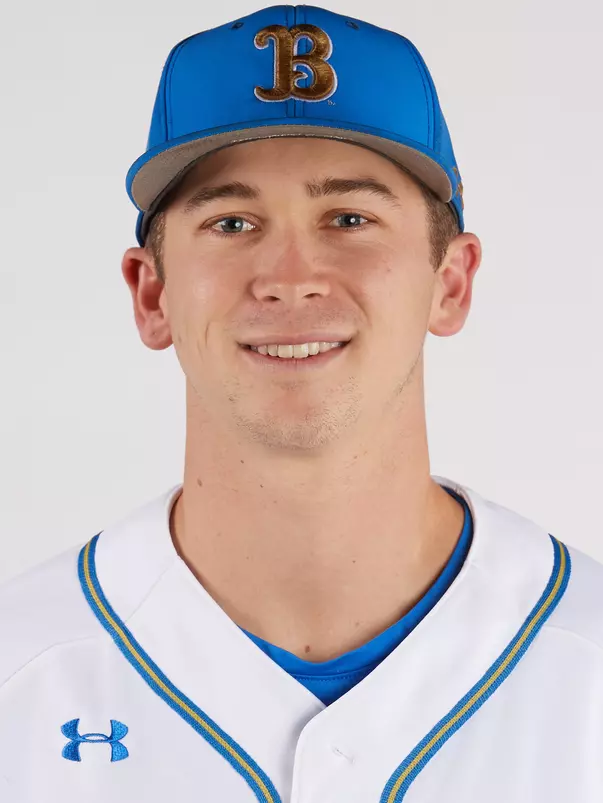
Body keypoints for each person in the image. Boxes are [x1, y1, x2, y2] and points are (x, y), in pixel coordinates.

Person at [1, 5, 602, 802]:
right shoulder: (19, 671)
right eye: (232, 222)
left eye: (349, 218)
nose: (290, 277)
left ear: (450, 282)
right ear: (151, 293)